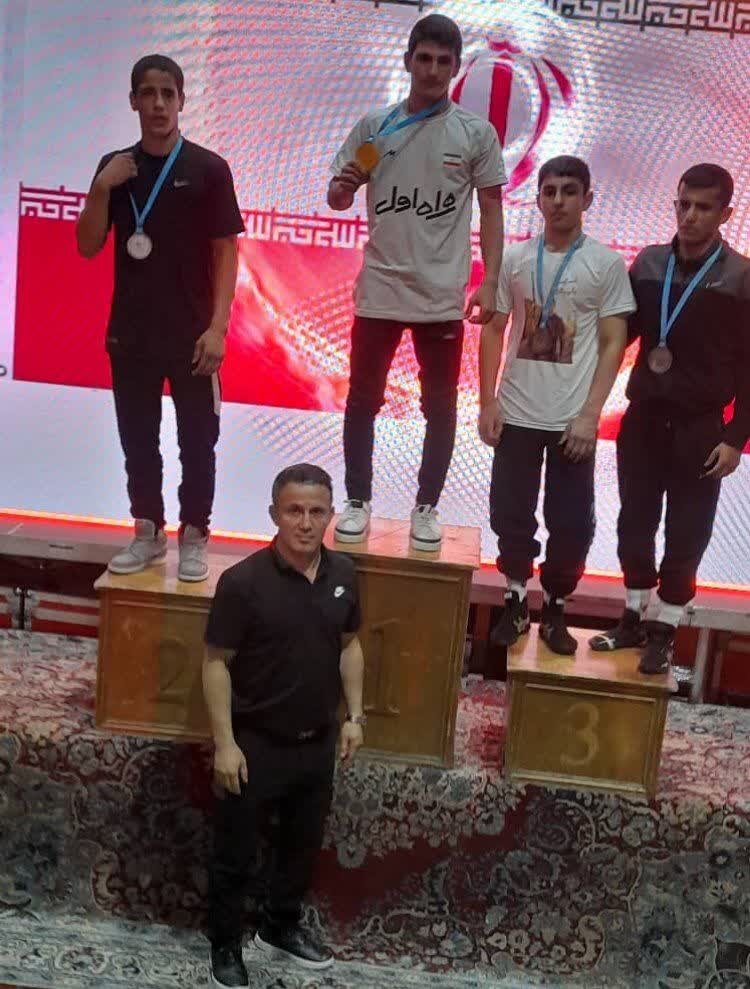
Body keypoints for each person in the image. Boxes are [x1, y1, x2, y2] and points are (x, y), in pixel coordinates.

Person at [328, 13, 506, 552]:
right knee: (363, 400)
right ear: (408, 61)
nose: (431, 70)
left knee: (441, 408)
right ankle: (357, 501)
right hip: (380, 289)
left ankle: (426, 508)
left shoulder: (475, 133)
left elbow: (492, 210)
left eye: (443, 62)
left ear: (456, 68)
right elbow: (338, 197)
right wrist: (344, 187)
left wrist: (491, 281)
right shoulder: (375, 128)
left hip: (440, 296)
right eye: (423, 59)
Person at [76, 54, 245, 582]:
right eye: (147, 94)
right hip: (131, 333)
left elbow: (226, 252)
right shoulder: (114, 167)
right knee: (138, 441)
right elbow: (86, 246)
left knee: (198, 443)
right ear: (133, 100)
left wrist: (218, 328)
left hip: (194, 336)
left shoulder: (209, 169)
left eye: (167, 94)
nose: (157, 104)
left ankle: (194, 535)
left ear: (181, 101)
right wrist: (101, 188)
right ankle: (147, 532)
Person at [203, 463, 365, 987]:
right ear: (274, 514)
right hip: (254, 743)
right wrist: (225, 744)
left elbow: (350, 646)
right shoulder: (242, 583)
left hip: (316, 742)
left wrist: (354, 716)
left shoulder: (344, 575)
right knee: (235, 854)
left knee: (301, 847)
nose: (305, 522)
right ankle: (225, 943)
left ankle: (279, 926)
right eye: (294, 511)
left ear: (331, 516)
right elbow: (215, 664)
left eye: (316, 511)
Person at [590, 164, 750, 673]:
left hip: (701, 427)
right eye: (683, 204)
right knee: (633, 524)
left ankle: (664, 631)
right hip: (643, 419)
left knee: (687, 532)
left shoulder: (742, 277)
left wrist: (735, 437)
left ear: (726, 213)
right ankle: (633, 619)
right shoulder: (648, 263)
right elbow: (620, 335)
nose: (690, 216)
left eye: (703, 207)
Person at [479, 156, 636, 655]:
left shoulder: (605, 264)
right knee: (510, 515)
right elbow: (493, 330)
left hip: (572, 420)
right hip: (516, 412)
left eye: (570, 191)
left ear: (587, 199)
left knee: (571, 524)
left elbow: (614, 343)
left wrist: (591, 414)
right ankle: (514, 601)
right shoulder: (516, 259)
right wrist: (487, 401)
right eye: (549, 191)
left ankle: (556, 610)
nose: (559, 201)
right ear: (539, 199)